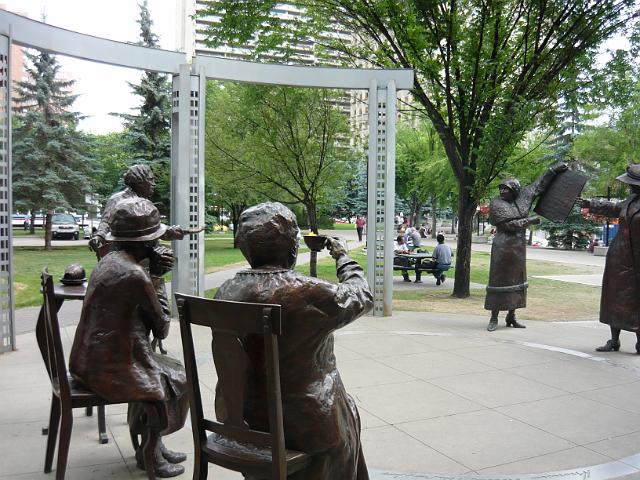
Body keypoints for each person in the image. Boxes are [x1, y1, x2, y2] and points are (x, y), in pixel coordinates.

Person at [214, 202, 372, 480]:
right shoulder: (304, 292)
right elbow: (361, 296)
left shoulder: (226, 290)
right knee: (344, 408)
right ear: (291, 246)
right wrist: (343, 257)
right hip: (302, 425)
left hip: (239, 417)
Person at [69, 198, 188, 477]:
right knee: (175, 379)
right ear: (146, 243)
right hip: (108, 368)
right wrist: (157, 275)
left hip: (89, 360)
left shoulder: (109, 261)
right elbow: (161, 327)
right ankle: (149, 452)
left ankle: (154, 444)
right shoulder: (136, 275)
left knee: (167, 370)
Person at [485, 163, 567, 332]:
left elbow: (539, 184)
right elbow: (508, 225)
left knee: (516, 280)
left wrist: (554, 169)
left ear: (514, 191)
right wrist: (530, 220)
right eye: (501, 189)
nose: (502, 192)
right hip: (502, 246)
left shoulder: (523, 197)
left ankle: (511, 316)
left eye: (505, 190)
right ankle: (494, 317)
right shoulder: (496, 204)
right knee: (498, 280)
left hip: (518, 247)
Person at [583, 164, 640, 354]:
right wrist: (590, 204)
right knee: (613, 297)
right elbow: (614, 207)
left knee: (636, 300)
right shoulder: (631, 200)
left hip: (637, 259)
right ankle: (614, 340)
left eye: (632, 185)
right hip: (618, 256)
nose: (629, 187)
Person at [89, 164, 185, 257]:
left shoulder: (144, 201)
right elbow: (106, 222)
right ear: (139, 181)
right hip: (125, 254)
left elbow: (151, 230)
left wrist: (177, 232)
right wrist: (99, 237)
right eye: (150, 180)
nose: (153, 184)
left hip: (145, 253)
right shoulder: (118, 199)